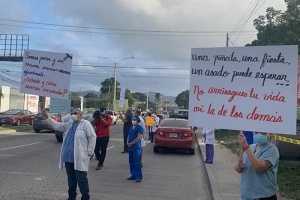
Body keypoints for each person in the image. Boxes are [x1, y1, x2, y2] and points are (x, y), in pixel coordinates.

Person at [42, 108, 96, 200]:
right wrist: (46, 116)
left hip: (80, 157)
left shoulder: (85, 124)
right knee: (71, 179)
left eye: (76, 113)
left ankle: (85, 197)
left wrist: (89, 153)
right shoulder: (69, 125)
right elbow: (56, 126)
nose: (73, 115)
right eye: (72, 113)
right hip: (68, 156)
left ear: (80, 115)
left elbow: (92, 137)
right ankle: (71, 197)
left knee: (81, 178)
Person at [235, 132, 279, 200]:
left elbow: (259, 167)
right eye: (256, 132)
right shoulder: (251, 147)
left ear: (270, 134)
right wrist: (239, 166)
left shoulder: (272, 150)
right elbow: (239, 169)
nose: (259, 135)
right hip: (247, 194)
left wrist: (246, 146)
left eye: (263, 133)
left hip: (264, 196)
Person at [127, 115, 144, 182]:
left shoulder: (139, 128)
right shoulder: (131, 127)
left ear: (137, 120)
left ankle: (139, 176)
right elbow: (128, 135)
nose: (133, 121)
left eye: (135, 119)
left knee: (137, 162)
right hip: (130, 147)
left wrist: (131, 143)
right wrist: (127, 142)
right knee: (131, 162)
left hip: (136, 147)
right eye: (132, 119)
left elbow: (138, 137)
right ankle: (133, 175)